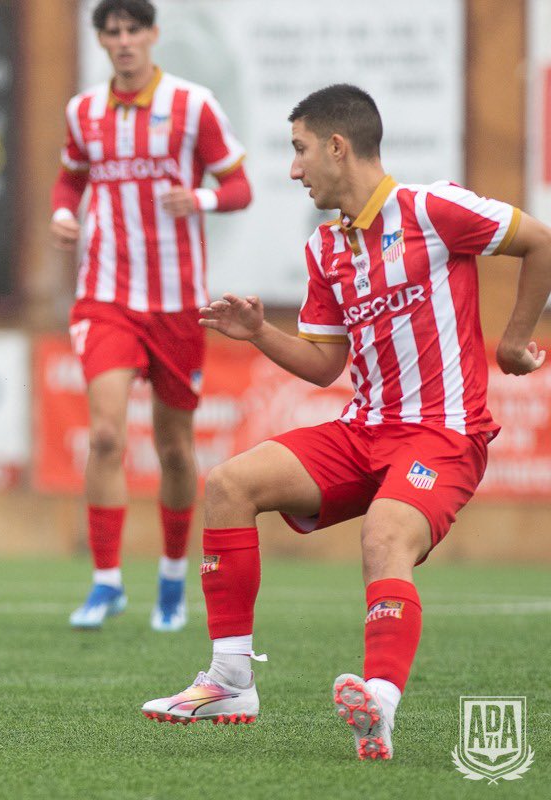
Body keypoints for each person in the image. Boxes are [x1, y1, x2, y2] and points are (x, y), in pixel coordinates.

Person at [140, 84, 551, 761]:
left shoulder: (433, 209)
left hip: (442, 434)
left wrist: (512, 340)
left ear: (338, 146)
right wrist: (259, 333)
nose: (294, 169)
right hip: (365, 432)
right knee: (227, 485)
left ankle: (379, 704)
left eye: (299, 150)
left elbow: (539, 241)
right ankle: (231, 679)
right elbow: (326, 365)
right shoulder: (326, 249)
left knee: (384, 534)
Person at [50, 0, 252, 632]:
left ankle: (170, 575)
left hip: (176, 305)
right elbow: (69, 181)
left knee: (173, 448)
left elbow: (240, 186)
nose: (124, 41)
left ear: (153, 36)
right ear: (102, 42)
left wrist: (199, 197)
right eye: (112, 32)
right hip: (106, 298)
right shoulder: (84, 111)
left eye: (134, 30)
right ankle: (106, 581)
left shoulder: (193, 105)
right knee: (107, 434)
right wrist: (63, 213)